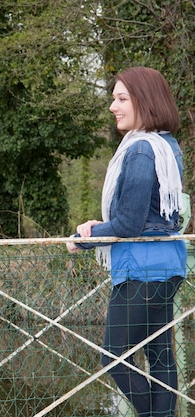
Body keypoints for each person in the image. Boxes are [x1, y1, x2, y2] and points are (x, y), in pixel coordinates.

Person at [66, 67, 186, 417]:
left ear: (144, 102)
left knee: (114, 355)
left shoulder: (140, 152)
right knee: (161, 357)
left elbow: (130, 223)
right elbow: (150, 214)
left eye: (121, 99)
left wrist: (82, 239)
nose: (112, 107)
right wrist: (99, 226)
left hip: (141, 268)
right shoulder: (165, 144)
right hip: (167, 263)